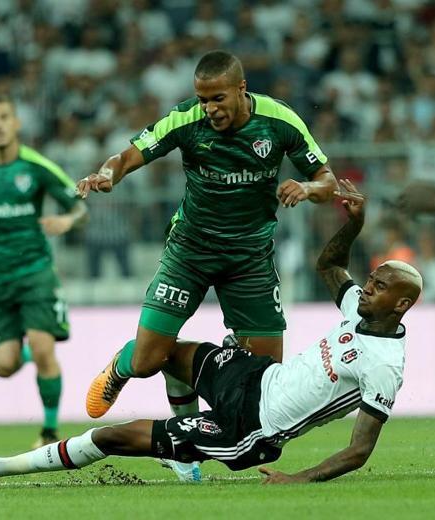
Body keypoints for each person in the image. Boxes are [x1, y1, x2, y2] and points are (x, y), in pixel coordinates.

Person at [0, 180, 422, 484]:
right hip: (254, 377)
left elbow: (359, 450)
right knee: (164, 352)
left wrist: (299, 479)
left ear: (401, 305)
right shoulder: (357, 310)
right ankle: (180, 451)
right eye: (372, 278)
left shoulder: (383, 364)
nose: (368, 286)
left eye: (379, 286)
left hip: (252, 427)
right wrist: (353, 226)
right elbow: (330, 266)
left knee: (112, 436)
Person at [76, 50, 338, 430]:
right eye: (203, 100)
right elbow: (127, 156)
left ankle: (189, 376)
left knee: (265, 377)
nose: (210, 109)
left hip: (250, 258)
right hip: (191, 252)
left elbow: (327, 180)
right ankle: (122, 365)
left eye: (218, 98)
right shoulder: (186, 119)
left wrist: (308, 188)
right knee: (147, 362)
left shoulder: (279, 121)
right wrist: (107, 175)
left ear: (241, 88)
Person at [0, 95, 88, 448]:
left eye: (4, 117)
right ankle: (31, 352)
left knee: (42, 348)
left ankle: (49, 431)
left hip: (34, 273)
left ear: (16, 123)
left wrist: (67, 221)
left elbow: (80, 208)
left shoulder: (36, 166)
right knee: (3, 365)